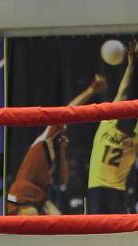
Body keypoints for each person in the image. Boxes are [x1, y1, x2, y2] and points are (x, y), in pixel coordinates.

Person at [7, 76, 108, 216]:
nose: (65, 131)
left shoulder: (56, 155)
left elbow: (63, 182)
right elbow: (69, 112)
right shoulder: (48, 137)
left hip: (40, 197)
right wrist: (90, 91)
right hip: (23, 194)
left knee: (63, 222)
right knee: (37, 225)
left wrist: (62, 152)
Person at [86, 41, 138, 215]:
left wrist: (131, 63)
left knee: (96, 229)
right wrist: (137, 64)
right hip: (117, 194)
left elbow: (123, 91)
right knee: (118, 229)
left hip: (97, 191)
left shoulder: (109, 124)